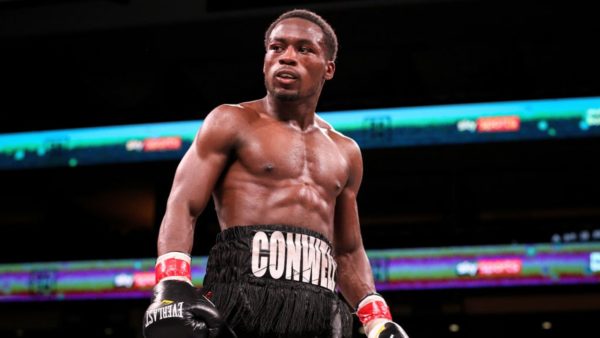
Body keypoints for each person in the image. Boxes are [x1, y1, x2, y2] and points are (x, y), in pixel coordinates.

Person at [143, 8, 409, 338]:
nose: (286, 57)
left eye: (304, 49)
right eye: (276, 47)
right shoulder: (231, 121)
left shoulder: (346, 151)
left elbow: (348, 251)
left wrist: (376, 316)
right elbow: (183, 203)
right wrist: (172, 281)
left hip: (319, 310)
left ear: (329, 68)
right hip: (241, 300)